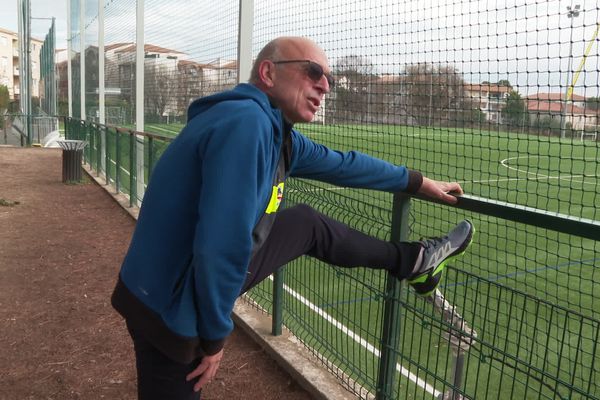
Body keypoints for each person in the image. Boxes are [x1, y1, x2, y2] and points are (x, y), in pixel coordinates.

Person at [111, 36, 474, 400]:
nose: (325, 86)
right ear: (268, 72)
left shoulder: (273, 131)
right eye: (313, 72)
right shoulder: (247, 124)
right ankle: (413, 261)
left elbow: (344, 164)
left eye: (328, 78)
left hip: (156, 286)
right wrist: (214, 336)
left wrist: (417, 181)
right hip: (169, 307)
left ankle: (413, 260)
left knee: (305, 223)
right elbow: (220, 246)